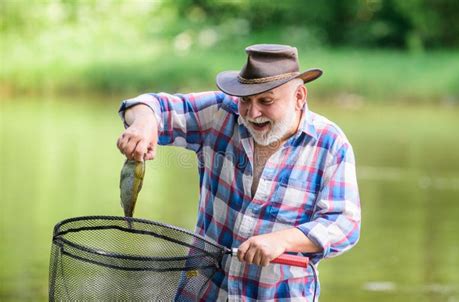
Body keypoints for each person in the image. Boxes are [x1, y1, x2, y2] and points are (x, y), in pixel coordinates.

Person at [116, 44, 361, 301]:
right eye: (246, 99)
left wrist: (284, 240)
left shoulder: (330, 143)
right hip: (203, 291)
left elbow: (344, 224)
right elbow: (148, 104)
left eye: (266, 101)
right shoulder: (221, 113)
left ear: (299, 96)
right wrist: (144, 124)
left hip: (277, 295)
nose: (253, 113)